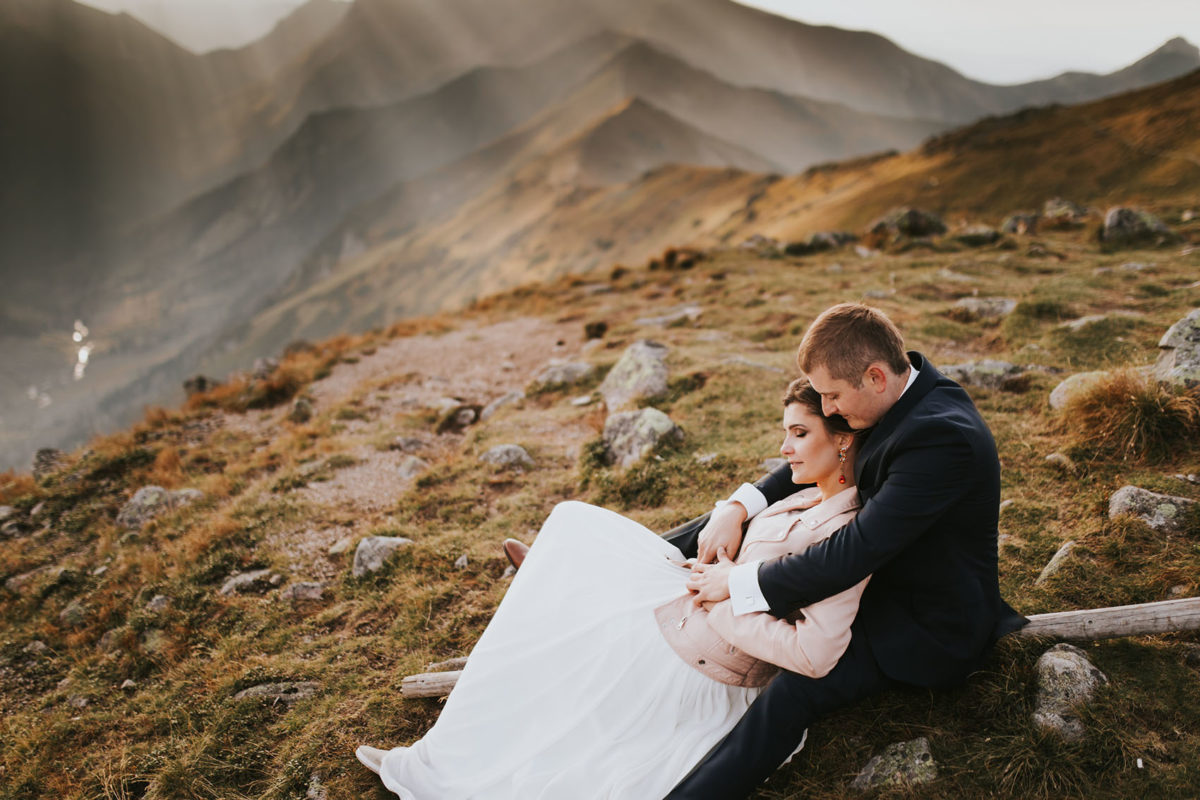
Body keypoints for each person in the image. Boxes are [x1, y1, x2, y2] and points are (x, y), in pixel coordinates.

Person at [355, 378, 869, 798]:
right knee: (572, 522)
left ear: (843, 439)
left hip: (704, 664)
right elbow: (757, 564)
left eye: (799, 434)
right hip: (686, 610)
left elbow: (813, 651)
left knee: (559, 639)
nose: (783, 449)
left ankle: (443, 765)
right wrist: (728, 528)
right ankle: (558, 582)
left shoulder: (846, 533)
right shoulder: (804, 496)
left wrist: (721, 602)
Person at [665, 302, 1026, 799]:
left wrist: (739, 585)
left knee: (790, 695)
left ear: (875, 376)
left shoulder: (942, 440)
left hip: (918, 621)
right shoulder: (895, 392)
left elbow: (855, 552)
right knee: (720, 527)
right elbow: (828, 449)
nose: (829, 409)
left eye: (832, 396)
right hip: (868, 579)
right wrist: (737, 506)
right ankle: (639, 564)